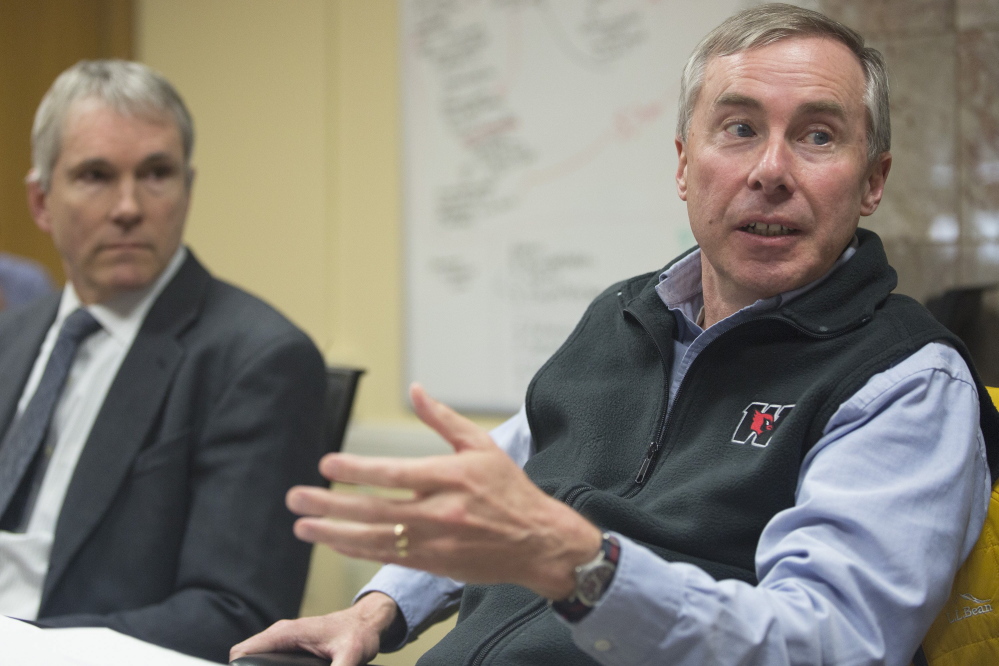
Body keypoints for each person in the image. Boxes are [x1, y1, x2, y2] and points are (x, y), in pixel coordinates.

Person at [232, 4, 999, 666]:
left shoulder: (904, 380)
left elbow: (827, 644)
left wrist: (583, 568)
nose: (770, 169)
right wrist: (373, 611)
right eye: (737, 128)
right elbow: (508, 481)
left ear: (872, 180)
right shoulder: (624, 315)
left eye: (818, 136)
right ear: (682, 165)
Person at [0, 60, 327, 663]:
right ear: (41, 202)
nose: (128, 206)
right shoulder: (12, 334)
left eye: (155, 174)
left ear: (187, 188)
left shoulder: (258, 359)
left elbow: (234, 613)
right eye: (96, 175)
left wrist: (25, 647)